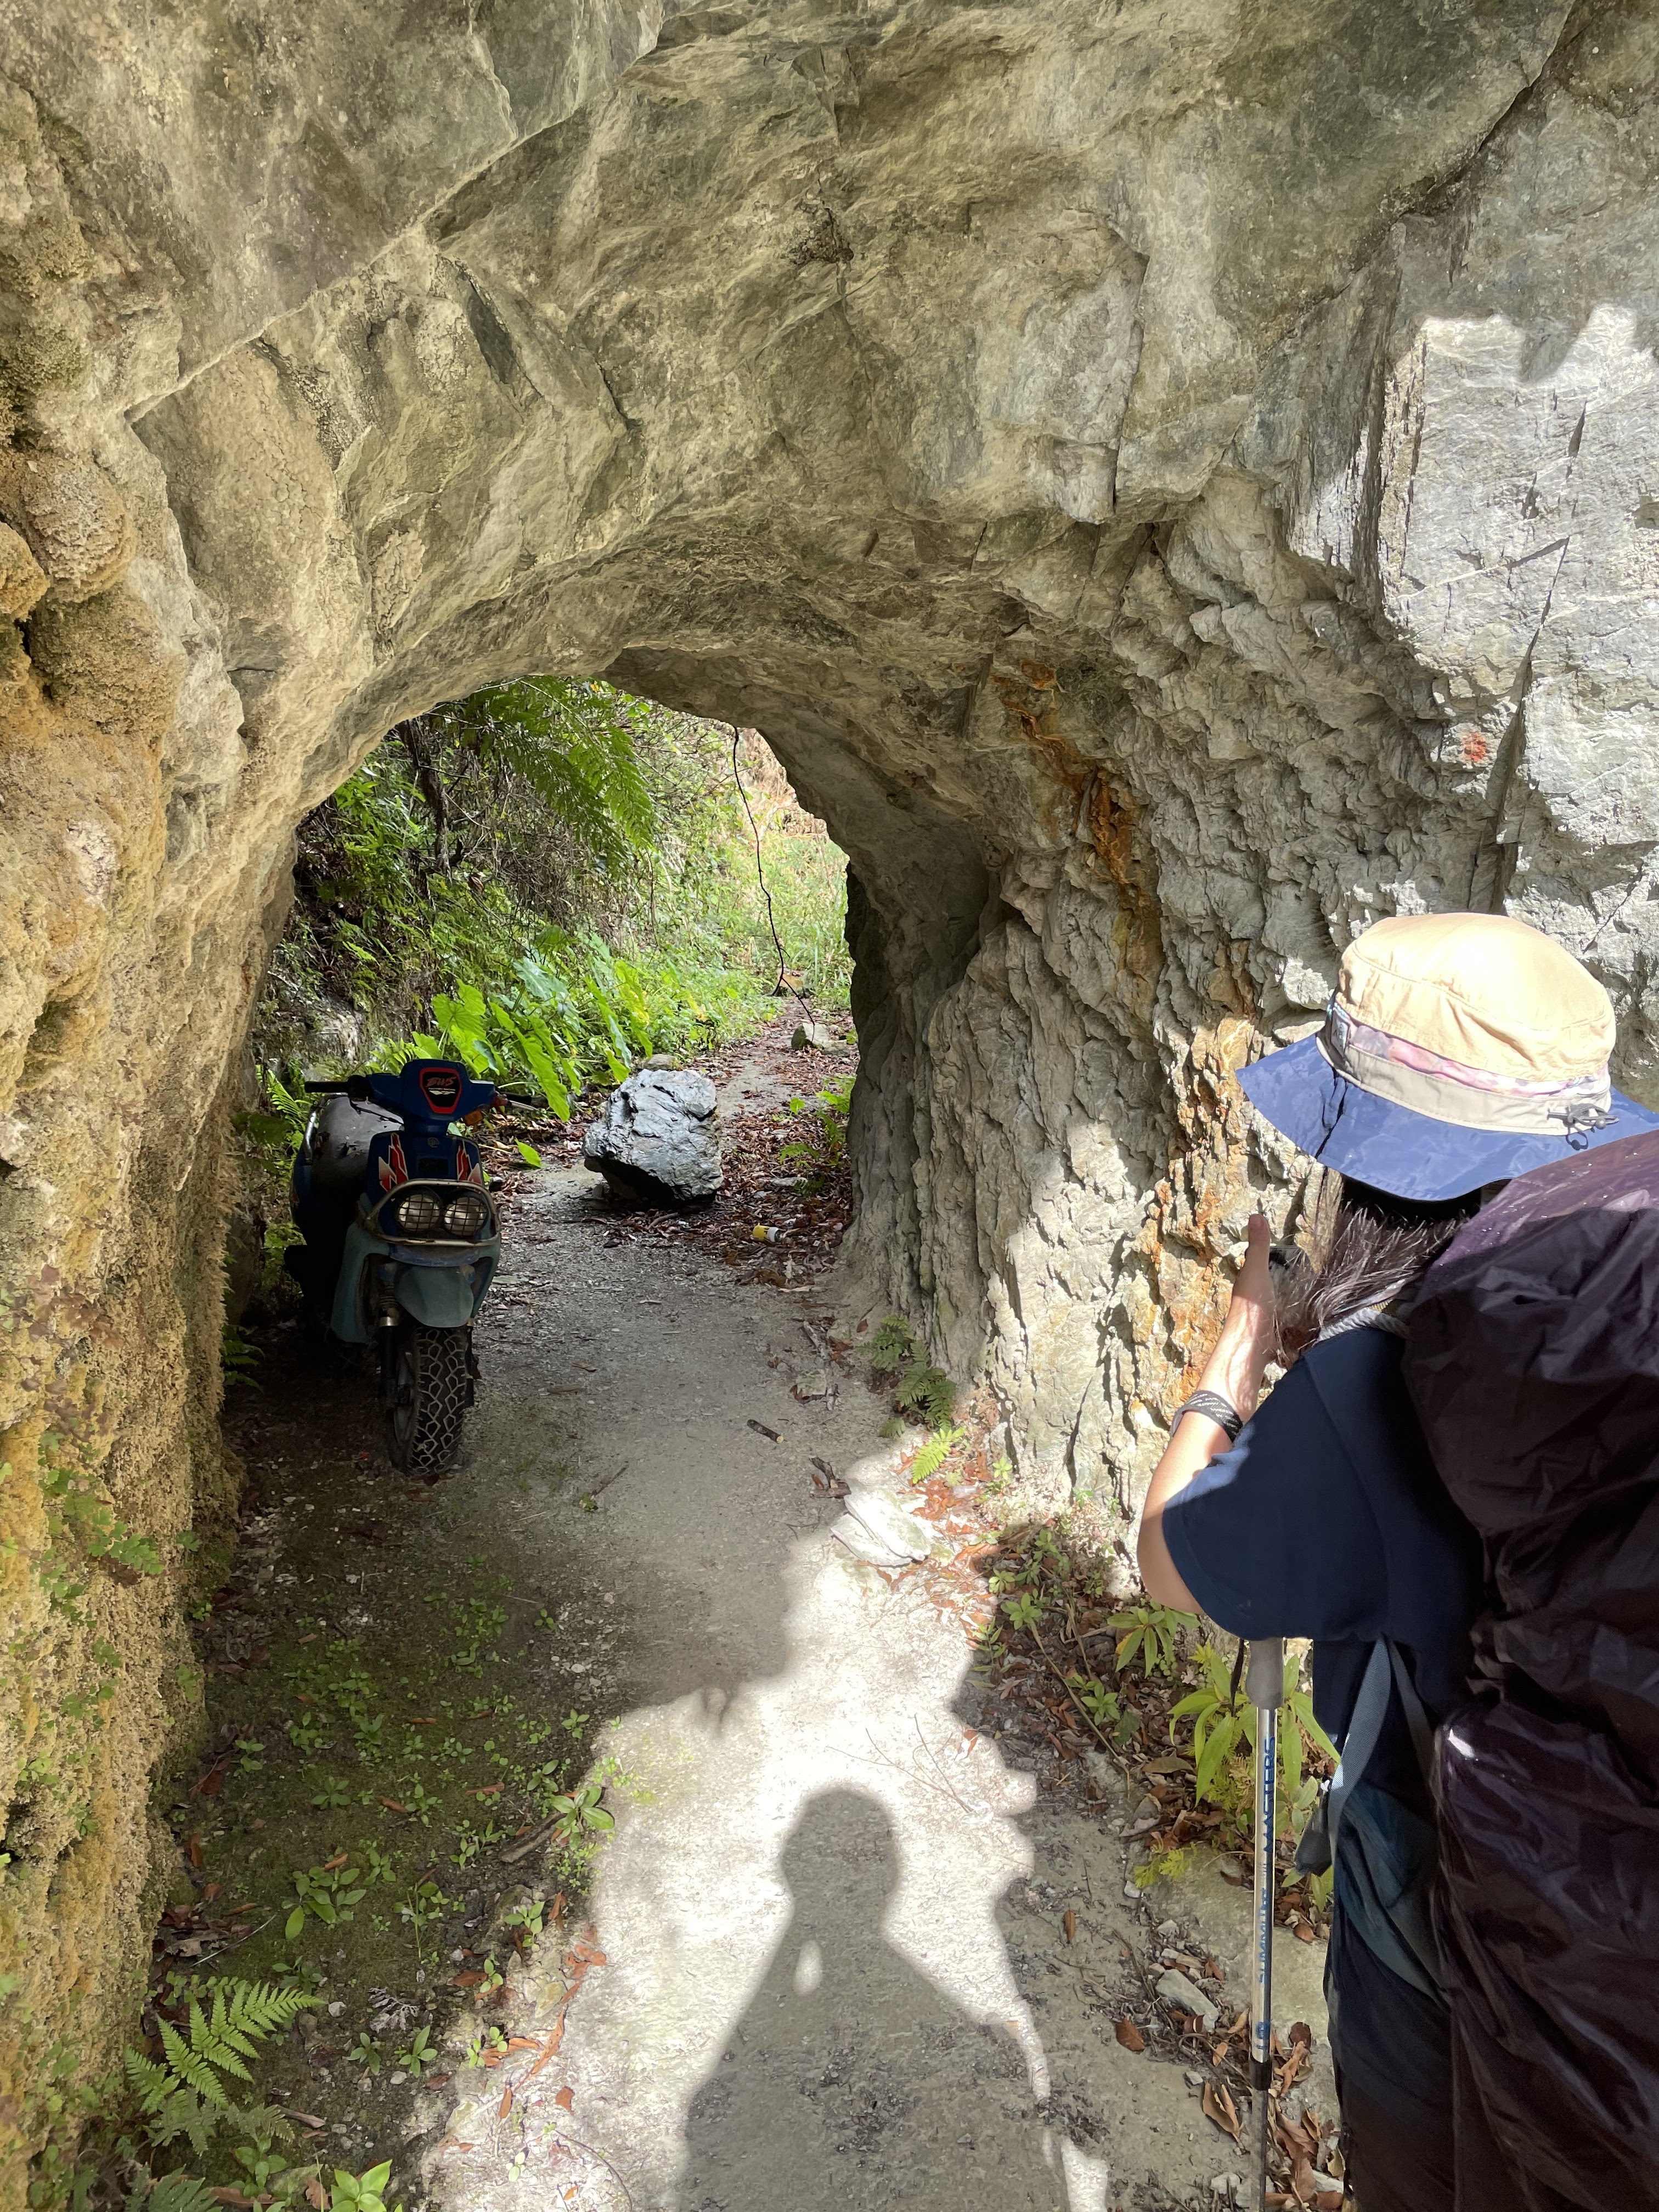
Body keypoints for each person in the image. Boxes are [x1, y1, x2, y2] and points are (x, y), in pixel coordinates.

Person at [1135, 912, 1659, 2211]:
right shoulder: (1631, 1330)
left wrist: (1243, 1338)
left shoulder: (1372, 1384)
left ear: (1375, 1169)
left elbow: (1167, 1558)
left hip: (1452, 1895)